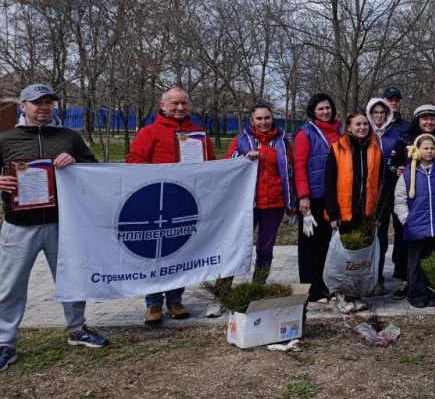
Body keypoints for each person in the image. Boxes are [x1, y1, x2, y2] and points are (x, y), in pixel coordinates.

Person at [0, 84, 109, 371]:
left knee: (72, 278)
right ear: (22, 106)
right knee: (10, 286)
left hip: (64, 223)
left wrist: (75, 163)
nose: (44, 107)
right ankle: (5, 343)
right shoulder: (6, 138)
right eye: (37, 102)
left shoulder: (68, 137)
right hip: (19, 225)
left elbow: (93, 168)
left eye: (49, 102)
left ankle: (77, 329)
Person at [128, 86, 217, 325]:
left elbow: (211, 166)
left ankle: (176, 299)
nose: (180, 108)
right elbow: (134, 163)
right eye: (174, 103)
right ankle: (153, 303)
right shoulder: (149, 133)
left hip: (186, 203)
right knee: (156, 256)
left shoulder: (198, 133)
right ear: (162, 105)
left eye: (184, 103)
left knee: (180, 252)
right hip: (156, 204)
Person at [208, 103, 296, 317]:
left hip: (274, 205)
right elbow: (227, 165)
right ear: (251, 121)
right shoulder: (241, 140)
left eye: (267, 118)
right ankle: (220, 296)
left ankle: (257, 291)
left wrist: (291, 205)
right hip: (247, 205)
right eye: (259, 119)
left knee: (265, 251)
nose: (264, 122)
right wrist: (243, 158)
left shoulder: (282, 142)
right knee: (235, 248)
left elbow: (290, 172)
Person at [324, 111, 382, 313]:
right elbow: (329, 183)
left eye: (365, 124)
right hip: (344, 212)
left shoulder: (375, 148)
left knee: (360, 256)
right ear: (348, 127)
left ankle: (356, 293)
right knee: (345, 257)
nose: (362, 127)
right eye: (357, 124)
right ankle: (342, 294)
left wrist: (375, 213)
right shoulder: (337, 149)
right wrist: (333, 214)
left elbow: (379, 181)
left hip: (365, 213)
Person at [388, 105, 435, 298]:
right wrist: (397, 170)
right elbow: (391, 164)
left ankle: (430, 288)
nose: (428, 122)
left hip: (434, 207)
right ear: (418, 120)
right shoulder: (404, 139)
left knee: (431, 253)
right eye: (424, 118)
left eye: (432, 118)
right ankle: (408, 283)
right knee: (409, 250)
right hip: (411, 205)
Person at [394, 134, 435, 308]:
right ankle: (416, 295)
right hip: (415, 227)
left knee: (433, 262)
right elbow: (400, 200)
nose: (429, 151)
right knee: (415, 264)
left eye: (431, 148)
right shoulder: (407, 174)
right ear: (417, 150)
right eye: (425, 148)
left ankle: (432, 294)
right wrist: (407, 219)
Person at [292, 93, 342, 303]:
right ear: (313, 111)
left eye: (328, 108)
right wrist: (303, 196)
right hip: (313, 197)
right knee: (310, 245)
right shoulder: (305, 133)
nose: (325, 112)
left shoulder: (340, 130)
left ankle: (325, 285)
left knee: (326, 243)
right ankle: (312, 290)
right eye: (320, 109)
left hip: (334, 195)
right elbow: (300, 166)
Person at [367, 97, 402, 295]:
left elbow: (399, 163)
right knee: (369, 235)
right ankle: (367, 275)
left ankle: (379, 276)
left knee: (382, 236)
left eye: (382, 112)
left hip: (389, 193)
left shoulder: (394, 137)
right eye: (375, 113)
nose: (379, 116)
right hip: (367, 194)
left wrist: (398, 169)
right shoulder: (364, 134)